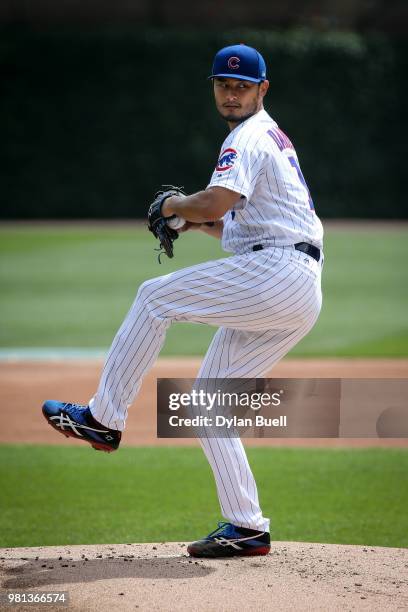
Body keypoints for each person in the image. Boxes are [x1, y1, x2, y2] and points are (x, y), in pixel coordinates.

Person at [42, 44, 324, 558]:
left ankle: (103, 418)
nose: (232, 93)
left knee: (153, 298)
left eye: (242, 86)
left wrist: (174, 204)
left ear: (263, 89)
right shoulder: (272, 138)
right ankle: (247, 527)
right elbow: (240, 225)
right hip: (293, 282)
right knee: (207, 401)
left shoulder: (248, 136)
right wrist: (195, 222)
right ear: (214, 86)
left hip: (277, 273)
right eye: (223, 84)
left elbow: (217, 200)